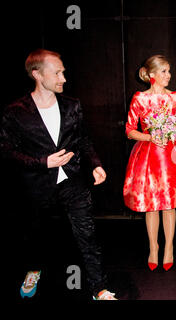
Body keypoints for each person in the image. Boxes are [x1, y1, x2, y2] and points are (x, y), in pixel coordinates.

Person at [0, 49, 116, 300]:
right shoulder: (16, 111)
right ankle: (33, 270)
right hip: (36, 185)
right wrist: (44, 162)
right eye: (58, 72)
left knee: (87, 234)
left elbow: (83, 140)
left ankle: (100, 288)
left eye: (63, 71)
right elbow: (7, 152)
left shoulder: (72, 105)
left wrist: (95, 164)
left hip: (72, 181)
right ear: (37, 74)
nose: (63, 77)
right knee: (35, 234)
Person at [123, 55, 176, 272]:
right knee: (151, 205)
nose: (169, 75)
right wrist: (149, 136)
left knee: (169, 204)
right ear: (152, 74)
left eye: (169, 70)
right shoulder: (139, 98)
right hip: (147, 156)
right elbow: (129, 130)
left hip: (171, 156)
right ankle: (154, 247)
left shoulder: (175, 98)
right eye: (164, 71)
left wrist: (170, 131)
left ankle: (169, 248)